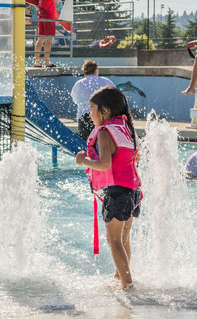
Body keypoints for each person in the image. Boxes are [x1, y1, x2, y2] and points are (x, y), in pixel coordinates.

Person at [75, 86, 141, 291]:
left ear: (106, 111)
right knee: (123, 239)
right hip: (133, 191)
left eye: (92, 108)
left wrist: (83, 160)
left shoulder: (105, 133)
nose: (89, 113)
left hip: (117, 192)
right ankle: (119, 279)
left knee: (114, 241)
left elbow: (104, 164)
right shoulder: (124, 129)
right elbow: (133, 158)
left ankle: (128, 286)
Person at [33, 0, 73, 68]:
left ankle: (37, 62)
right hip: (49, 17)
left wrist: (40, 10)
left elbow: (35, 1)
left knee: (40, 39)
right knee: (49, 40)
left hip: (41, 16)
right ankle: (47, 62)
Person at [71, 60, 116, 141]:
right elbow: (115, 97)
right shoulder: (106, 81)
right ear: (96, 70)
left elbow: (75, 100)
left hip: (84, 116)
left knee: (86, 144)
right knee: (103, 142)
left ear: (84, 72)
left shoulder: (79, 84)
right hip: (102, 115)